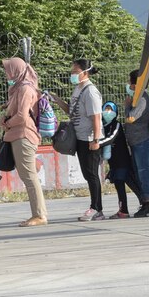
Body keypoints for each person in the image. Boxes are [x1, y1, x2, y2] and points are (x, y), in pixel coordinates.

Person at [52, 59, 105, 221]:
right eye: (72, 72)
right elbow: (71, 110)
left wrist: (95, 139)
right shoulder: (78, 89)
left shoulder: (90, 92)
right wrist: (56, 100)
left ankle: (97, 208)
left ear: (85, 72)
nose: (72, 75)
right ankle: (95, 207)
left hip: (90, 139)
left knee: (92, 174)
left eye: (75, 72)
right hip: (80, 137)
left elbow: (96, 117)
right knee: (87, 173)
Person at [1, 57, 47, 226]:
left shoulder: (25, 89)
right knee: (27, 176)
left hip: (24, 135)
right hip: (17, 134)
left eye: (8, 70)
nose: (7, 73)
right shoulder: (17, 88)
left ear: (16, 70)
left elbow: (21, 116)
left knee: (29, 177)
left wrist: (7, 123)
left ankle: (39, 215)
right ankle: (37, 213)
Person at [124, 70, 149, 218]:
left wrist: (127, 106)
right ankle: (145, 199)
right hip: (135, 141)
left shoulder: (142, 99)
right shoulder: (137, 99)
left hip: (141, 141)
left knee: (144, 171)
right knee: (139, 171)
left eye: (130, 83)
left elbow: (131, 118)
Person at [100, 101, 140, 219]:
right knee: (121, 183)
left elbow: (111, 138)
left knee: (121, 183)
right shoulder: (103, 126)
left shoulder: (116, 125)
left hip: (122, 160)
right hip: (113, 162)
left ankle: (125, 210)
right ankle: (125, 209)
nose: (107, 112)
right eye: (105, 109)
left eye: (110, 109)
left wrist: (98, 143)